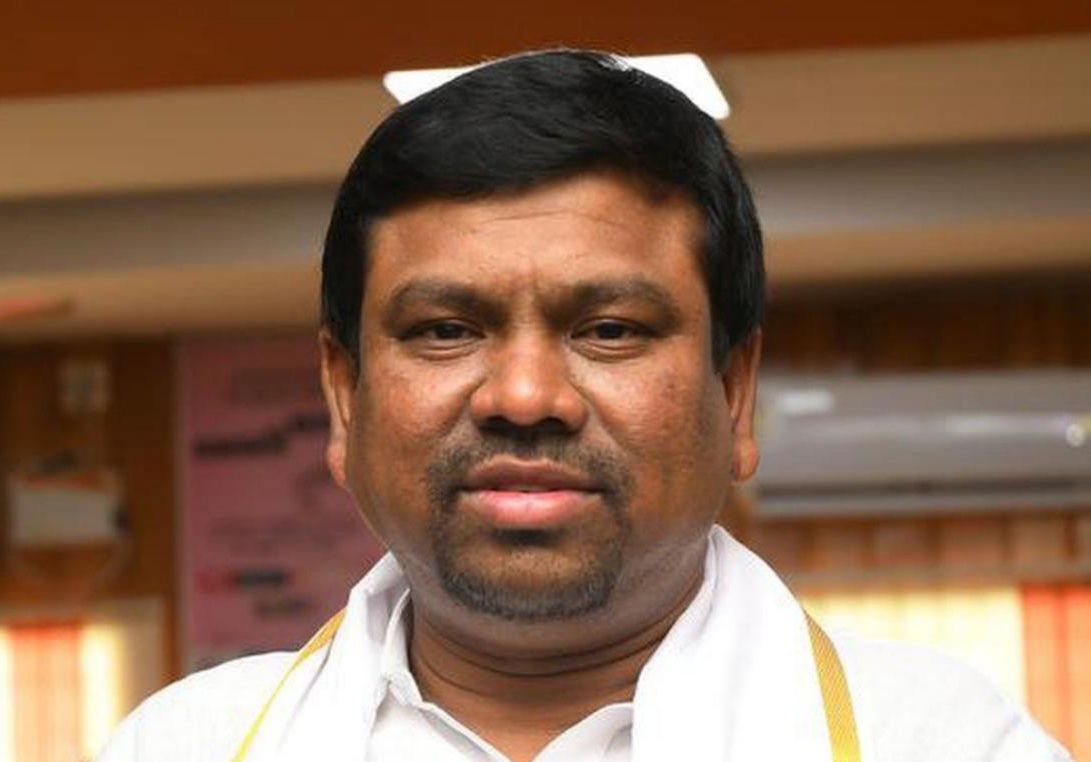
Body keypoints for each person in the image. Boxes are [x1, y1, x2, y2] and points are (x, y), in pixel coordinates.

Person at [98, 50, 1071, 762]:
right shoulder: (181, 745)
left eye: (608, 329)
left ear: (733, 394)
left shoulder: (944, 741)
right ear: (343, 397)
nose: (524, 397)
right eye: (445, 329)